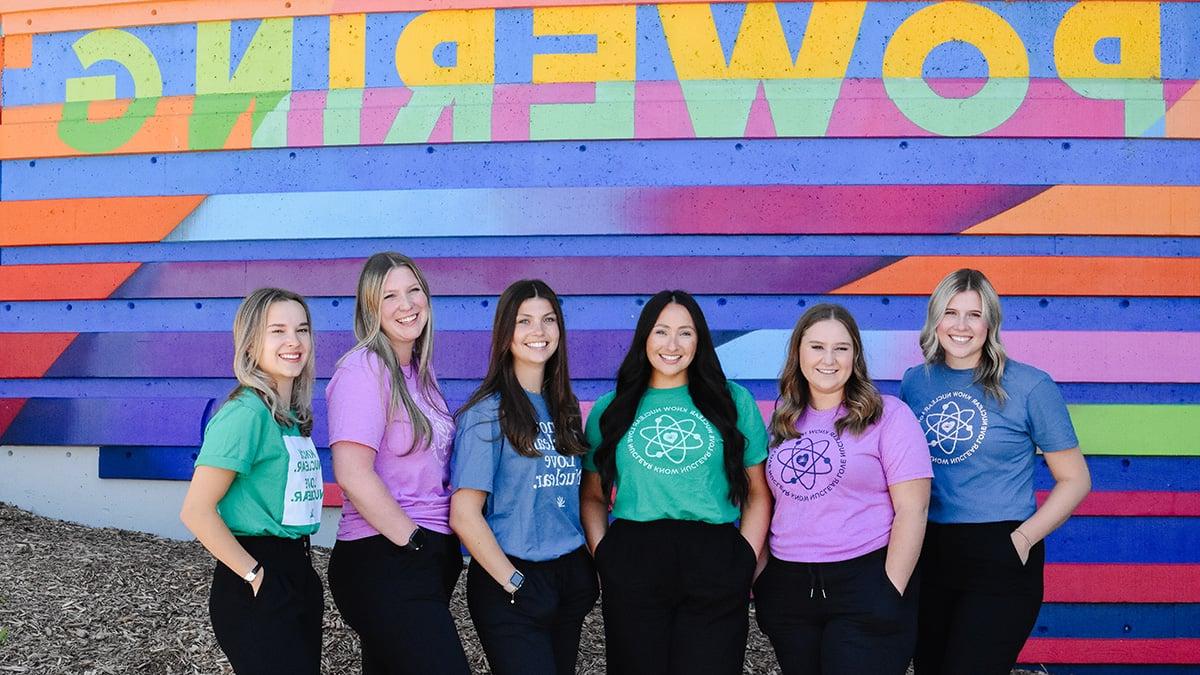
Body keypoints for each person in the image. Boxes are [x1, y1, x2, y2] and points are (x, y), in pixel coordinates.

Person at [901, 268, 1091, 675]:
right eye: (951, 313)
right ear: (935, 318)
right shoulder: (916, 383)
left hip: (1000, 550)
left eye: (975, 314)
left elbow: (1075, 479)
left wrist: (1022, 540)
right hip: (929, 550)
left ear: (992, 322)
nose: (962, 326)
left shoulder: (1029, 385)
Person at [580, 289, 771, 675]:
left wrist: (744, 559)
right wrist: (606, 558)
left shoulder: (733, 401)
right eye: (660, 331)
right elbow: (593, 497)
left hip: (715, 556)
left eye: (685, 333)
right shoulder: (610, 408)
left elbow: (757, 493)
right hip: (635, 556)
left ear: (699, 340)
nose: (672, 344)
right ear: (644, 338)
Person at [753, 303, 932, 674]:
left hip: (864, 582)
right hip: (789, 589)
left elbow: (913, 509)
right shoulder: (781, 422)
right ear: (798, 353)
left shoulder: (889, 415)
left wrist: (890, 590)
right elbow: (763, 505)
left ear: (856, 355)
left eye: (841, 348)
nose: (828, 359)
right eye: (817, 346)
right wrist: (763, 582)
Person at [324, 252, 470, 675]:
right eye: (390, 296)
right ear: (370, 308)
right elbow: (352, 473)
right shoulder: (364, 369)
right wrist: (415, 542)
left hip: (424, 558)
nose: (406, 304)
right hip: (384, 559)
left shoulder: (420, 375)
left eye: (414, 291)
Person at [450, 279, 599, 675]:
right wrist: (513, 581)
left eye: (549, 320)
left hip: (567, 577)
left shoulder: (565, 410)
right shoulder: (486, 413)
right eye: (525, 321)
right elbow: (464, 514)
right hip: (511, 580)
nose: (539, 331)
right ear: (505, 334)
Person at [180, 287, 325, 675]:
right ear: (250, 344)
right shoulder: (245, 413)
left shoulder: (290, 416)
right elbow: (196, 510)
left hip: (298, 572)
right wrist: (255, 575)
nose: (293, 341)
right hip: (256, 580)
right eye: (277, 331)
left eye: (302, 329)